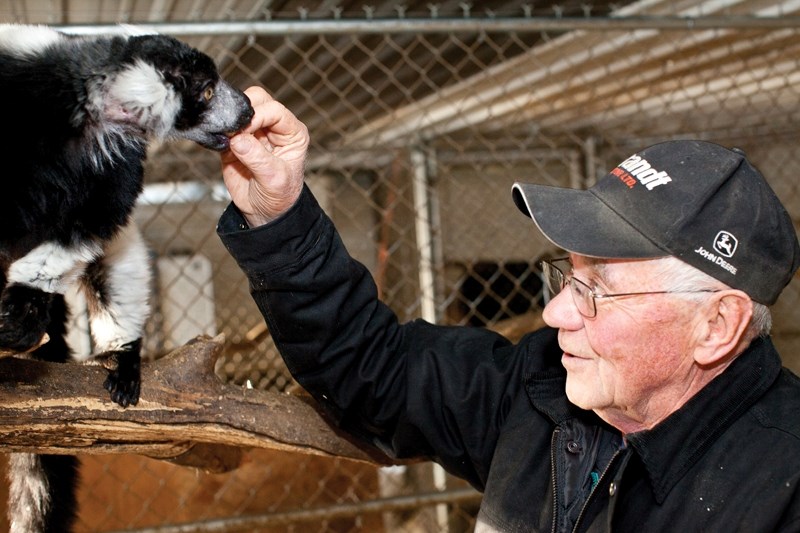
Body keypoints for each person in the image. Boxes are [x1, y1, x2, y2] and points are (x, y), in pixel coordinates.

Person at [216, 87, 800, 532]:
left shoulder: (781, 487)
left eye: (596, 290)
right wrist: (280, 214)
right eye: (567, 277)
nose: (554, 316)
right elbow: (371, 366)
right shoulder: (539, 392)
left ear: (717, 326)